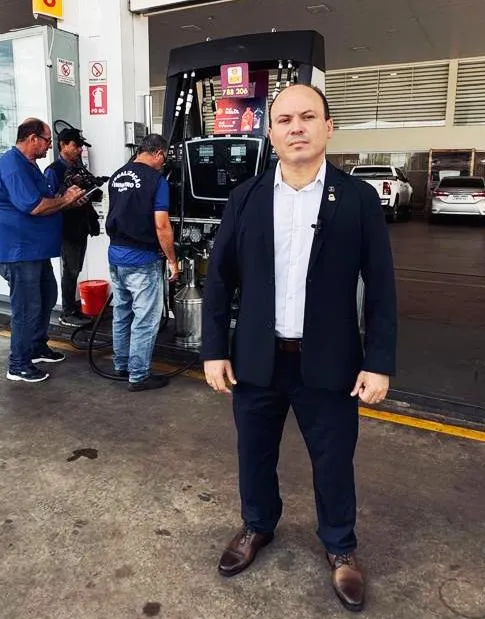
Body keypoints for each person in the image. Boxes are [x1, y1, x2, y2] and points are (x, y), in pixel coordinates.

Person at [202, 84, 396, 613]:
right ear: (271, 133)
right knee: (253, 453)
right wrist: (214, 349)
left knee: (334, 460)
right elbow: (219, 281)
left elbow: (381, 286)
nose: (296, 128)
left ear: (328, 128)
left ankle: (340, 546)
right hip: (257, 358)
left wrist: (378, 362)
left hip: (331, 362)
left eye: (308, 117)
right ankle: (257, 525)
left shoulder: (357, 199)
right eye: (285, 120)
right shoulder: (246, 199)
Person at [0, 118, 84, 383]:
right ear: (32, 138)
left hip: (35, 251)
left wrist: (68, 201)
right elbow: (34, 206)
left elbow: (48, 201)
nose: (49, 146)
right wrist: (65, 199)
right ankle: (18, 364)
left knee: (46, 296)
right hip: (19, 252)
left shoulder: (29, 165)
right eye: (47, 141)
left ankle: (37, 347)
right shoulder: (12, 166)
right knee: (26, 307)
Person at [105, 133, 180, 392]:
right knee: (145, 319)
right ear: (158, 153)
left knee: (122, 312)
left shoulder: (117, 176)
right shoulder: (156, 181)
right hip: (141, 259)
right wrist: (173, 261)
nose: (164, 163)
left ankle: (121, 364)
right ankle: (138, 375)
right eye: (164, 158)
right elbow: (162, 225)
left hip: (116, 254)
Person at [44, 128, 101, 327]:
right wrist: (70, 202)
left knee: (75, 268)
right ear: (63, 145)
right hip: (66, 228)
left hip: (81, 225)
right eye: (76, 146)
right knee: (71, 269)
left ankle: (72, 308)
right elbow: (50, 203)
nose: (79, 150)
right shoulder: (53, 171)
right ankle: (67, 312)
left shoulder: (78, 168)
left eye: (80, 146)